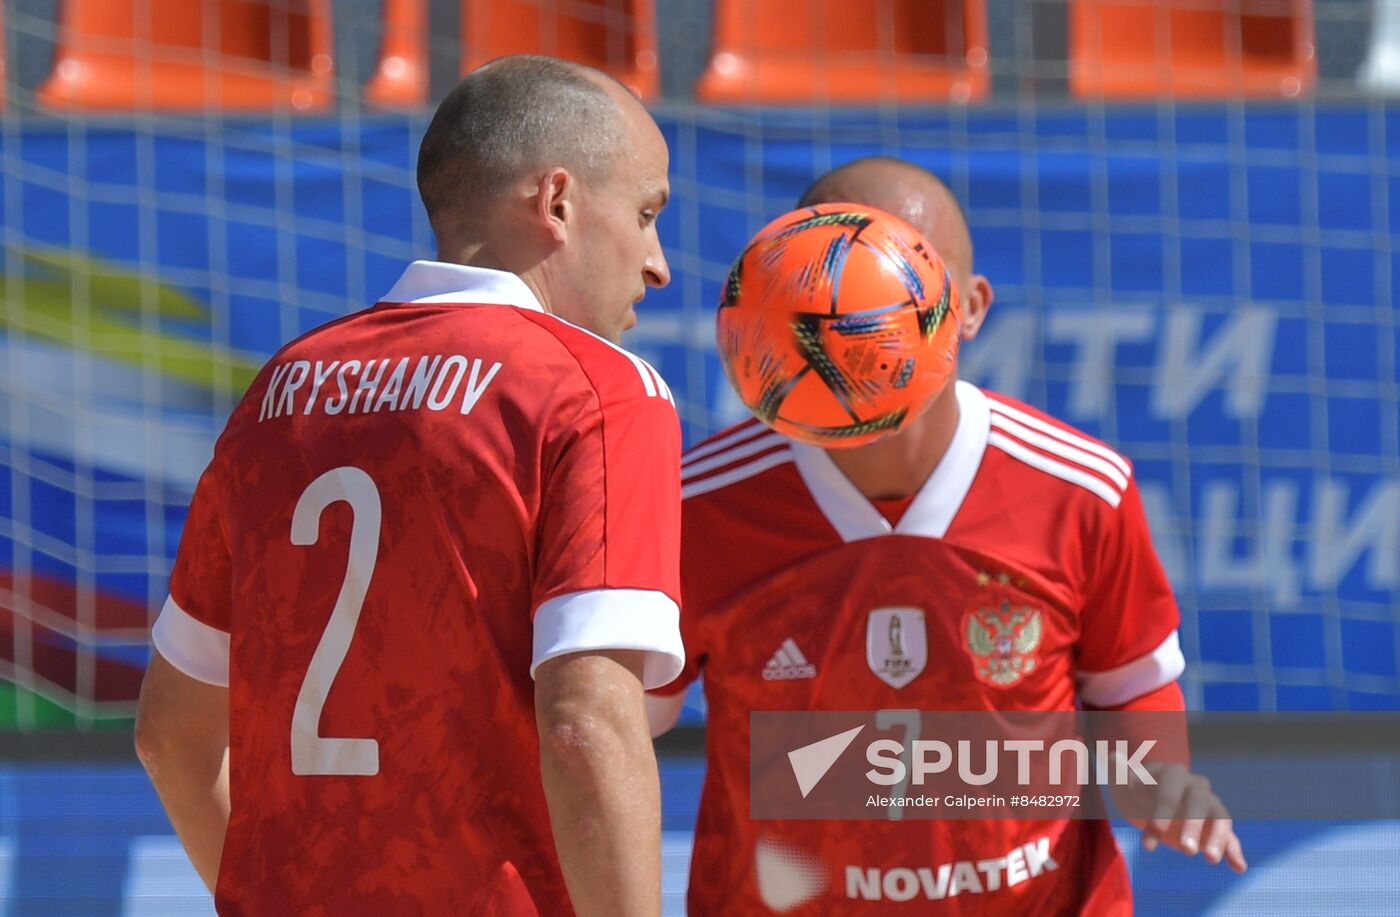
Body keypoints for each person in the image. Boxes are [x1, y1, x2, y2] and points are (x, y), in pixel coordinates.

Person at [134, 55, 684, 916]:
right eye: (648, 214)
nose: (659, 264)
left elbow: (169, 731)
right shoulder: (597, 388)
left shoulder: (281, 390)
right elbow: (585, 724)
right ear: (557, 204)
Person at [649, 157, 1246, 914]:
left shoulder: (1082, 488)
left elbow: (1132, 684)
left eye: (897, 276)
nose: (852, 314)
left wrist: (1158, 782)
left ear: (969, 306)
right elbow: (621, 720)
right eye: (827, 281)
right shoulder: (697, 505)